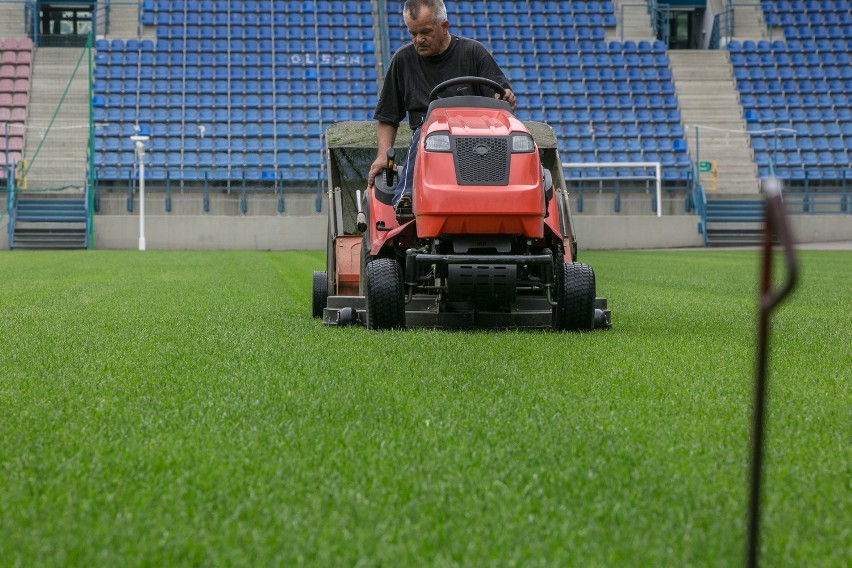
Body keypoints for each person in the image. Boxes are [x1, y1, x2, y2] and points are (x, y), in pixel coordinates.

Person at [367, 0, 516, 212]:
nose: (419, 40)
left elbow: (502, 100)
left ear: (444, 26)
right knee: (426, 134)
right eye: (413, 33)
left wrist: (506, 98)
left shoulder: (473, 52)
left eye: (425, 32)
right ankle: (407, 199)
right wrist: (383, 156)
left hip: (475, 136)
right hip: (428, 138)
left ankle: (507, 201)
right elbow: (387, 117)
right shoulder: (403, 60)